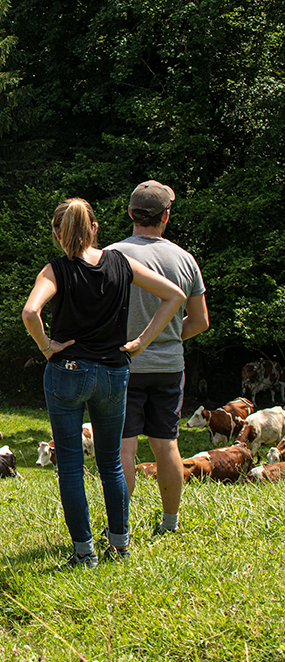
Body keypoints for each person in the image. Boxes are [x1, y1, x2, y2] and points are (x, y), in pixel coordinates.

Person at [21, 198, 185, 568]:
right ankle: (120, 544)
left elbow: (31, 312)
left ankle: (84, 552)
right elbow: (174, 296)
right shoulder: (121, 262)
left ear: (56, 233)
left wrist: (47, 346)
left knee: (71, 466)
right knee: (111, 462)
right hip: (114, 371)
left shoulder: (55, 270)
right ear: (95, 228)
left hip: (68, 371)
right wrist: (142, 342)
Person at [106, 180, 208, 536]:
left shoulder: (110, 256)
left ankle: (119, 529)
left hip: (123, 366)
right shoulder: (184, 259)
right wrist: (163, 337)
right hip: (169, 366)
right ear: (166, 216)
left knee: (124, 448)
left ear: (131, 213)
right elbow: (200, 321)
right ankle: (170, 523)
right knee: (166, 445)